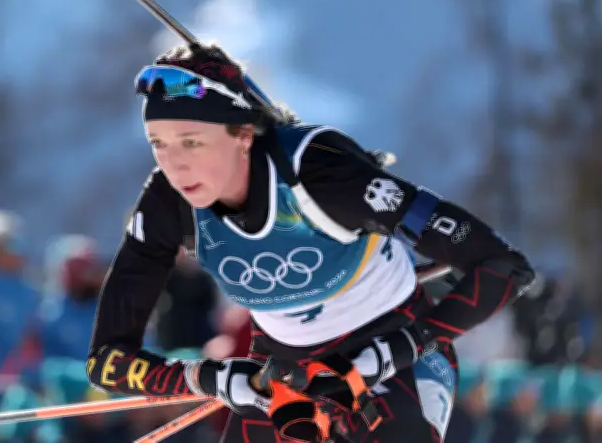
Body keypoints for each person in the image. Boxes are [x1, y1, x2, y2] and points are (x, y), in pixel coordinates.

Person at [86, 43, 535, 443]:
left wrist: (394, 351)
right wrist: (211, 378)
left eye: (192, 142)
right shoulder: (167, 202)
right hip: (280, 377)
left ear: (243, 134)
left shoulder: (321, 174)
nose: (174, 164)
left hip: (394, 351)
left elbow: (503, 266)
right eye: (158, 143)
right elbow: (107, 361)